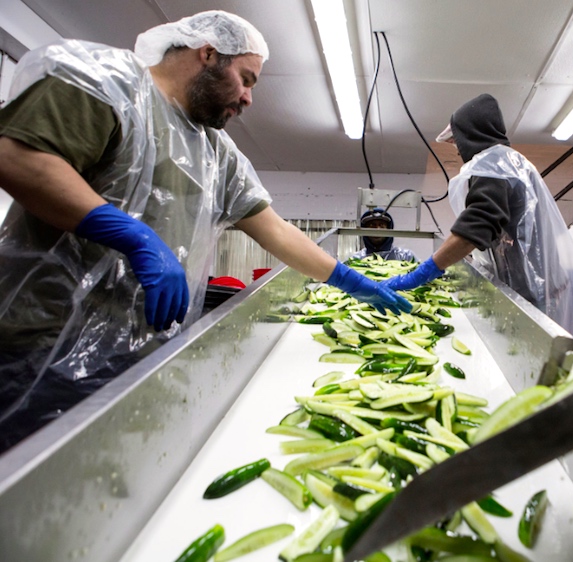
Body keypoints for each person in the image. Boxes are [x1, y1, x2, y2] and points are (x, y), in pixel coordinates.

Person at [0, 11, 410, 453]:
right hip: (43, 344)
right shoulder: (107, 82)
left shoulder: (215, 152)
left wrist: (352, 282)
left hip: (141, 354)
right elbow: (19, 158)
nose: (249, 97)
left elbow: (275, 230)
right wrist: (135, 237)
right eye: (246, 79)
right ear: (209, 54)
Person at [383, 93, 573, 338]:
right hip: (540, 287)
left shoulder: (494, 166)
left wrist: (422, 273)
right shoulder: (510, 162)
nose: (457, 150)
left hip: (533, 293)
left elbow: (476, 227)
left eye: (457, 141)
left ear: (471, 135)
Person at [351, 208, 417, 262]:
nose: (377, 229)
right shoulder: (355, 260)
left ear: (389, 229)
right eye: (372, 225)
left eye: (381, 225)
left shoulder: (406, 257)